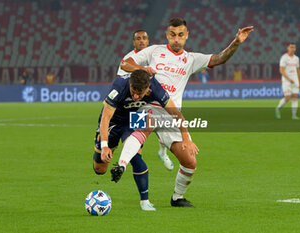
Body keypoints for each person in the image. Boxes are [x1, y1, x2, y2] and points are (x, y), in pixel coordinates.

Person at [118, 17, 253, 207]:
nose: (176, 39)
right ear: (167, 35)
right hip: (147, 105)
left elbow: (219, 58)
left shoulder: (191, 59)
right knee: (142, 128)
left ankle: (177, 198)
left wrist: (236, 43)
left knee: (190, 162)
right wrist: (144, 70)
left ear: (186, 36)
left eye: (180, 35)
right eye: (172, 35)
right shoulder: (154, 51)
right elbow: (126, 62)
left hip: (172, 115)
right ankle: (122, 165)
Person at [93, 69, 196, 211]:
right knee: (99, 168)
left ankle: (144, 200)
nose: (135, 96)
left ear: (147, 88)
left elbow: (175, 113)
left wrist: (185, 138)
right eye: (133, 91)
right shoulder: (119, 85)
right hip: (113, 122)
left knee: (147, 127)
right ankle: (117, 156)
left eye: (139, 93)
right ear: (130, 84)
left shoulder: (155, 87)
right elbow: (106, 117)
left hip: (132, 120)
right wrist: (104, 145)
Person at [117, 29, 174, 171]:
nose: (141, 41)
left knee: (168, 118)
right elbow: (121, 81)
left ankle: (162, 151)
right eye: (138, 38)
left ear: (148, 41)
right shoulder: (129, 58)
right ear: (133, 42)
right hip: (137, 104)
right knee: (138, 145)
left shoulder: (154, 55)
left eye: (144, 38)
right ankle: (138, 169)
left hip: (154, 99)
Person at [275, 43, 300, 120]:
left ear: (295, 49)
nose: (292, 48)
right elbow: (281, 70)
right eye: (291, 47)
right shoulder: (284, 58)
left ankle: (294, 115)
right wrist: (288, 79)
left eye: (294, 47)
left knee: (295, 97)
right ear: (288, 48)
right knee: (287, 98)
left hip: (295, 81)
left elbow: (298, 71)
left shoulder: (296, 58)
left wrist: (299, 82)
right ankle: (278, 108)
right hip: (286, 81)